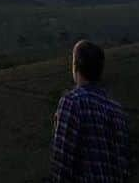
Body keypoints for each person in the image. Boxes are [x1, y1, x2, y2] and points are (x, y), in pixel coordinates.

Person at [50, 39, 130, 182]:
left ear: (76, 66)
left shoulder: (72, 102)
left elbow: (62, 161)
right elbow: (122, 166)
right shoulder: (117, 110)